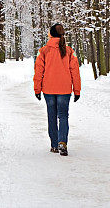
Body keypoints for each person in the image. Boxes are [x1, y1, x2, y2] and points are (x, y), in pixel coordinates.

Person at [33, 23, 81, 156]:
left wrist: (37, 89)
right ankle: (62, 142)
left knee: (52, 116)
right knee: (63, 116)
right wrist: (77, 90)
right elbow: (75, 72)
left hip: (48, 89)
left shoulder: (44, 51)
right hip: (64, 90)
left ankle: (54, 145)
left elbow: (38, 71)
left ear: (51, 34)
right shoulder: (69, 51)